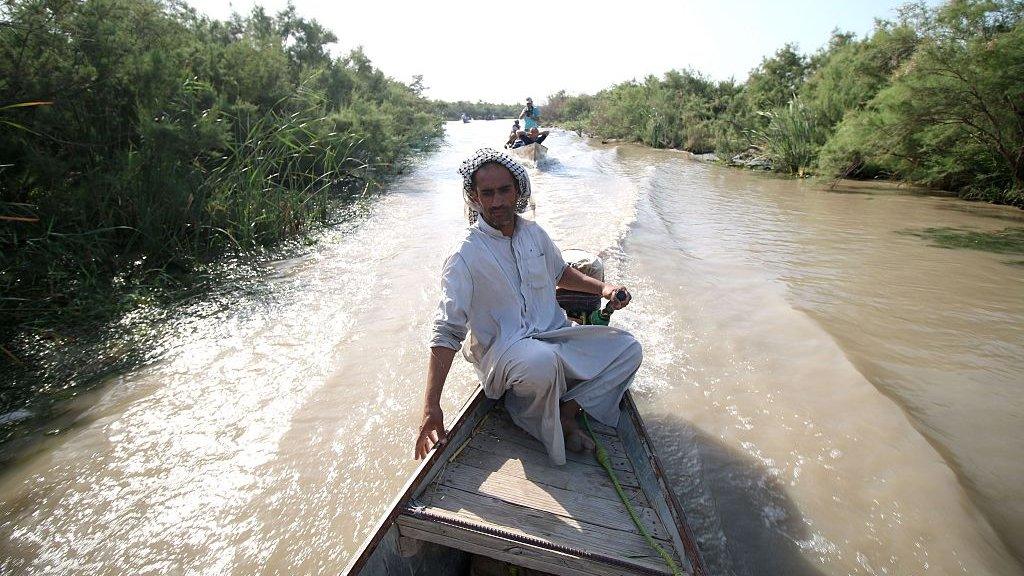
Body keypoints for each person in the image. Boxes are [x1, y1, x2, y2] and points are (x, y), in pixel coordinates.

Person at [414, 148, 643, 465]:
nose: (497, 202)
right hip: (506, 352)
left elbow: (561, 273)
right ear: (475, 199)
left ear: (518, 190)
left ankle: (567, 411)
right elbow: (447, 330)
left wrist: (605, 288)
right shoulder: (464, 254)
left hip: (555, 335)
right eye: (488, 193)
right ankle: (526, 414)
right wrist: (431, 406)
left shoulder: (534, 234)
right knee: (541, 361)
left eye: (504, 190)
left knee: (628, 348)